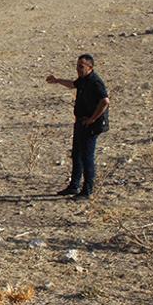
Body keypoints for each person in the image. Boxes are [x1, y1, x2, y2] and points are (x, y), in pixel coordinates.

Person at [46, 53, 110, 200]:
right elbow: (73, 85)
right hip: (81, 122)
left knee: (87, 157)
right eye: (77, 66)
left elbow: (105, 101)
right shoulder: (83, 79)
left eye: (81, 67)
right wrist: (57, 80)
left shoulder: (95, 81)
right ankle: (74, 186)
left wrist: (92, 119)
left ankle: (87, 191)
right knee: (77, 154)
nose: (78, 69)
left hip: (91, 125)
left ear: (90, 67)